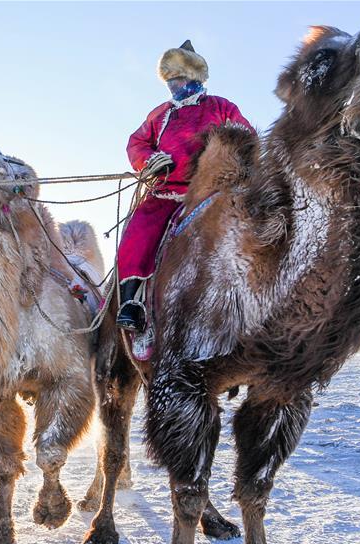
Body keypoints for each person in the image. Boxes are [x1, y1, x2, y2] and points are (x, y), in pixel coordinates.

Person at [117, 40, 254, 332]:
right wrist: (149, 160)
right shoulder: (160, 114)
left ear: (194, 78)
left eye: (178, 79)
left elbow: (246, 138)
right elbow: (137, 143)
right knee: (139, 232)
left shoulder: (221, 107)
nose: (174, 86)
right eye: (170, 81)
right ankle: (132, 302)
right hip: (166, 193)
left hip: (213, 194)